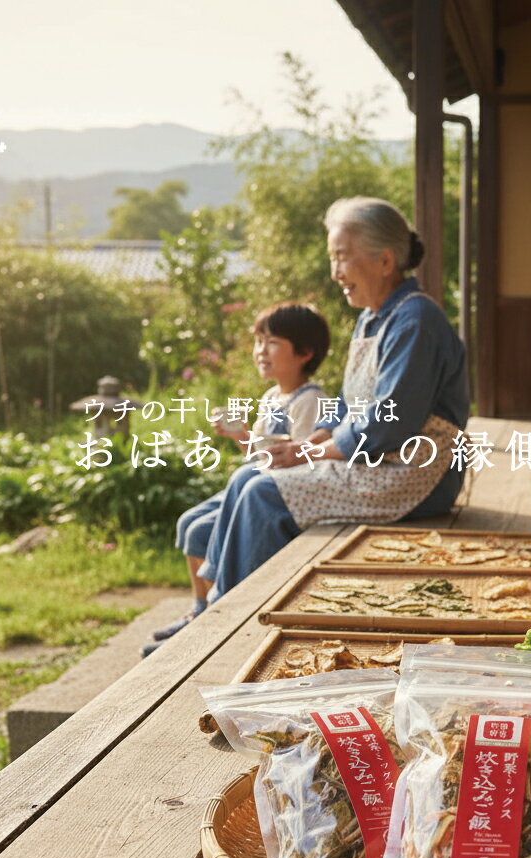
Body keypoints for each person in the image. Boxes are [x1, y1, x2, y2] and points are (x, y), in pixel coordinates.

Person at [144, 196, 469, 655]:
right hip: (377, 463)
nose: (335, 271)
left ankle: (228, 632)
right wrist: (311, 442)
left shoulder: (415, 320)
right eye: (332, 257)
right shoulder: (375, 318)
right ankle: (216, 616)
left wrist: (307, 451)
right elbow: (348, 405)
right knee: (250, 477)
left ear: (384, 260)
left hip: (414, 473)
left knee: (262, 494)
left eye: (341, 257)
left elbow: (387, 427)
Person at [150, 302, 331, 644]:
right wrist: (240, 436)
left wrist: (275, 448)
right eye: (258, 343)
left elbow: (306, 462)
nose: (261, 351)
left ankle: (218, 610)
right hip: (256, 478)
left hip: (277, 492)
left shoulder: (311, 400)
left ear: (305, 352)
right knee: (189, 524)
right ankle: (200, 608)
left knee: (203, 529)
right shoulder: (270, 398)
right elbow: (258, 455)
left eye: (272, 343)